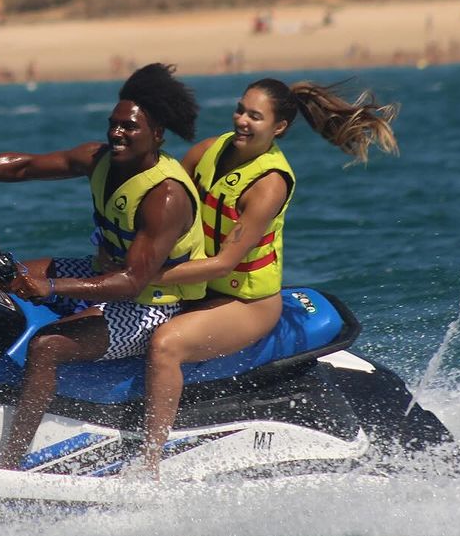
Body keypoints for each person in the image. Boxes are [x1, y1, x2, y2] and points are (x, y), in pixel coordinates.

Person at [0, 63, 207, 470]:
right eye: (113, 124)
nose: (117, 133)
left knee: (47, 348)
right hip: (104, 274)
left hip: (151, 304)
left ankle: (11, 464)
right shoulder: (99, 158)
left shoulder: (165, 196)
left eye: (130, 128)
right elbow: (25, 166)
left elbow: (133, 280)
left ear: (156, 134)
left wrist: (52, 288)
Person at [139, 77, 399, 475]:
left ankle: (149, 463)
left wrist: (147, 274)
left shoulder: (269, 183)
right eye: (241, 109)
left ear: (278, 128)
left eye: (255, 116)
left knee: (165, 345)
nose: (242, 120)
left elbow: (226, 263)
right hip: (195, 287)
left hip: (246, 304)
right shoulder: (207, 150)